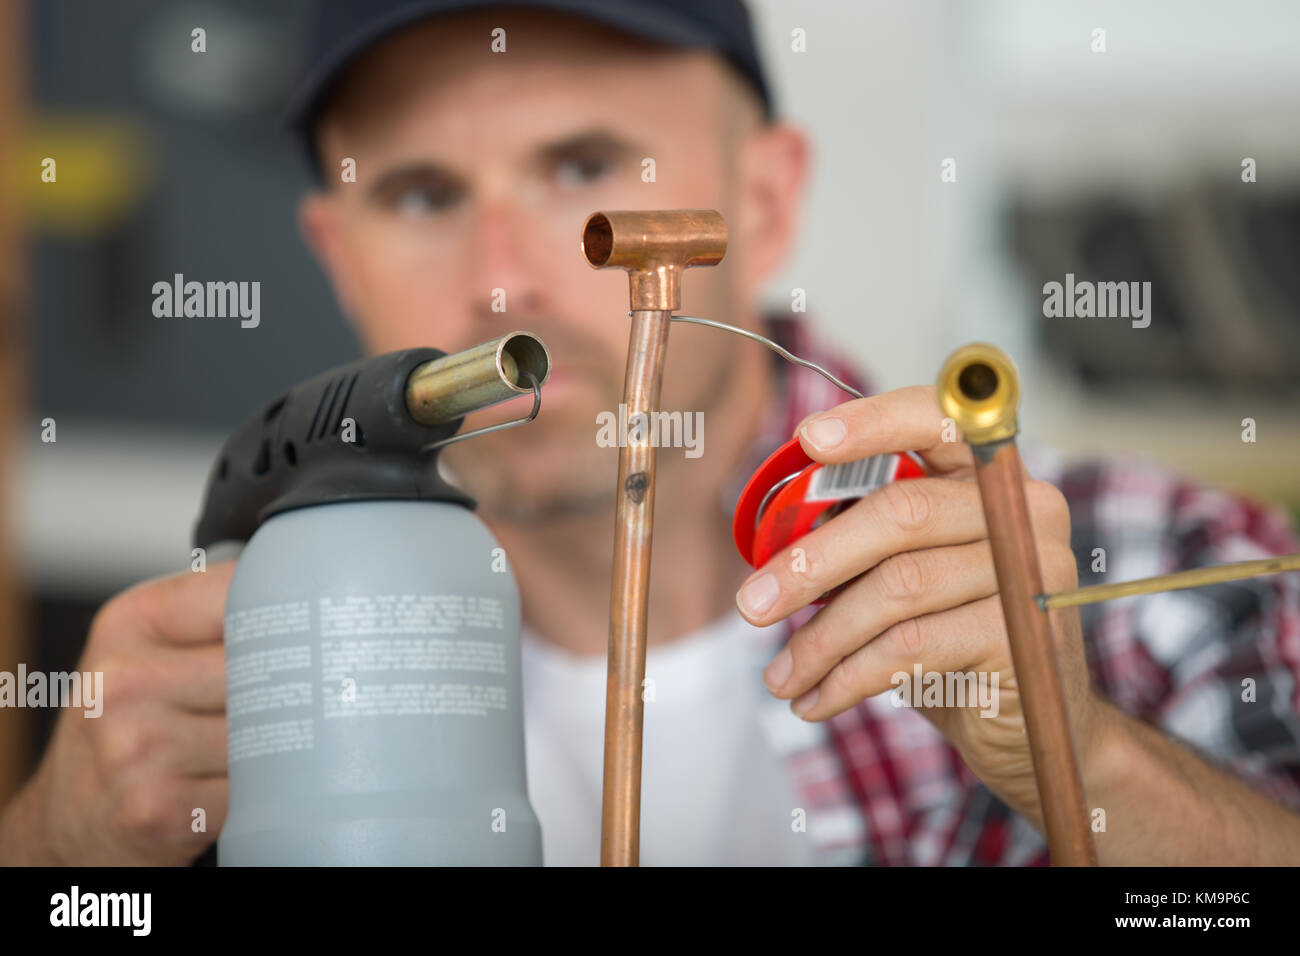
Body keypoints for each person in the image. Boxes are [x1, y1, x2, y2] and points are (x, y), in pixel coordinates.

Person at [3, 0, 1299, 865]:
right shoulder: (228, 675)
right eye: (422, 191)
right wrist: (59, 857)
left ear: (768, 198)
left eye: (582, 167)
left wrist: (1087, 760)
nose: (502, 279)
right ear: (337, 256)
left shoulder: (1163, 567)